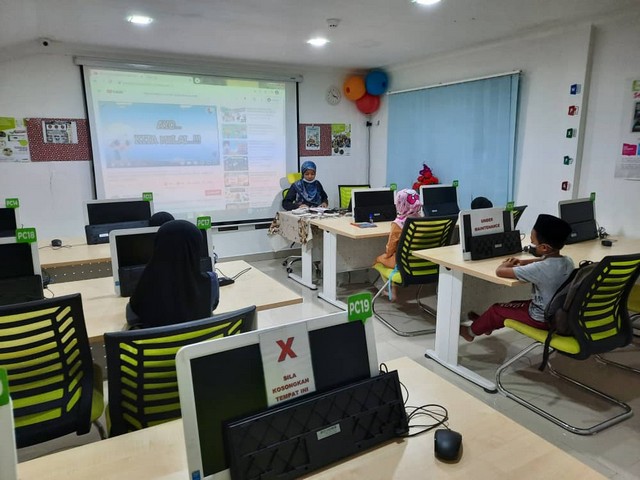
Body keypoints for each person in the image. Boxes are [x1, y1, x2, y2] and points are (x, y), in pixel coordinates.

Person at [460, 214, 574, 342]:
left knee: (496, 309)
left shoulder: (539, 269)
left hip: (540, 319)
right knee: (512, 304)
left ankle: (469, 332)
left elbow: (500, 271)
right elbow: (544, 262)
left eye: (533, 242)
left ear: (544, 247)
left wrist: (507, 263)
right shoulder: (567, 261)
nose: (531, 245)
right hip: (557, 314)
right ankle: (484, 325)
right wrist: (523, 262)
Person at [126, 220, 219, 329]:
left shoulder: (143, 285)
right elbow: (212, 307)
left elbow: (131, 318)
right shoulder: (211, 282)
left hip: (159, 340)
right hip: (198, 339)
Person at [374, 188, 423, 300]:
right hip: (419, 260)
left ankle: (392, 292)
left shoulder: (398, 224)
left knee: (378, 259)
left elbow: (390, 246)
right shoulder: (421, 219)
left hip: (402, 261)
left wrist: (387, 256)